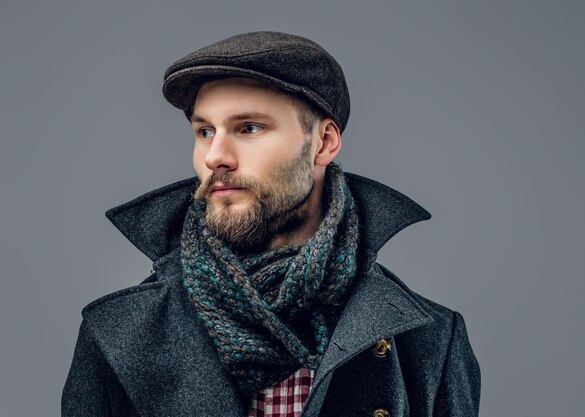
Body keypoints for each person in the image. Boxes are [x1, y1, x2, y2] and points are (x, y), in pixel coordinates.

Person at [62, 31, 481, 417]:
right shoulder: (121, 335)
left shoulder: (430, 342)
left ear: (324, 142)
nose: (215, 157)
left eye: (249, 127)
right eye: (205, 131)